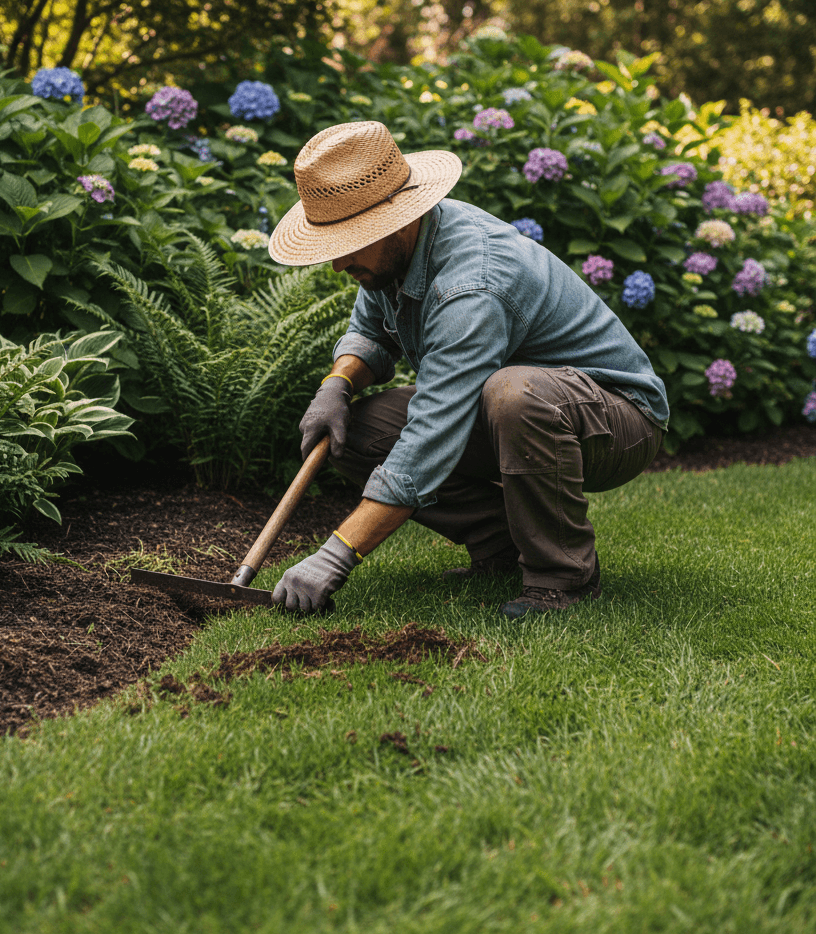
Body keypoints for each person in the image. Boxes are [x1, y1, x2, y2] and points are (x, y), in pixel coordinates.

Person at [267, 120, 668, 618]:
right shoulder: (398, 254)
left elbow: (431, 436)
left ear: (395, 219)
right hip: (517, 411)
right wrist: (337, 385)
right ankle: (502, 545)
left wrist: (336, 555)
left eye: (349, 243)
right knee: (357, 430)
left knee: (515, 393)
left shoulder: (471, 284)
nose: (337, 265)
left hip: (615, 418)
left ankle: (562, 576)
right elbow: (371, 334)